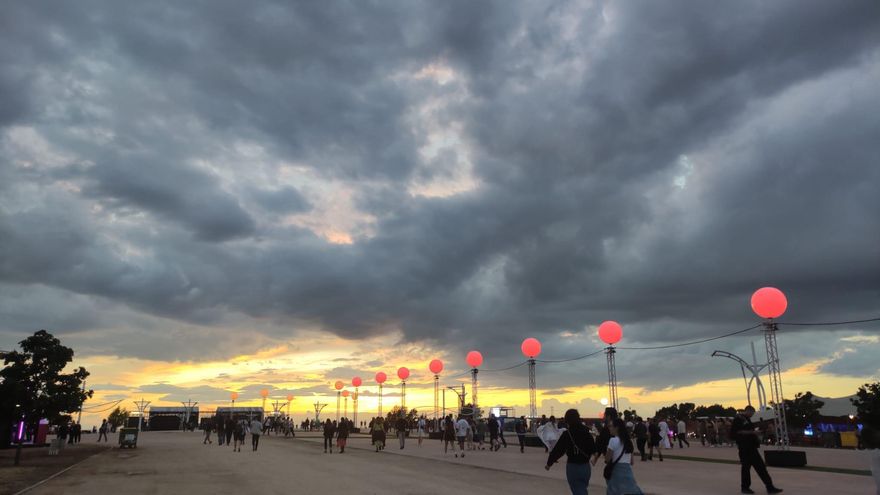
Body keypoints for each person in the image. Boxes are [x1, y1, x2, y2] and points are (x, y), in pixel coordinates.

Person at [731, 406, 782, 494]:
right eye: (752, 413)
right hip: (744, 448)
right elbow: (737, 432)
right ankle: (745, 487)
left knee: (761, 468)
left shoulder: (747, 419)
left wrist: (756, 434)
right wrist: (752, 432)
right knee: (746, 469)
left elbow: (747, 430)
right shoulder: (738, 419)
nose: (752, 415)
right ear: (748, 411)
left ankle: (770, 487)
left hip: (752, 447)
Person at [546, 409, 596, 495]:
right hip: (585, 467)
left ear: (567, 420)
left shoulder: (567, 434)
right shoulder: (587, 433)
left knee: (577, 490)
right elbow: (593, 449)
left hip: (573, 467)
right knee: (582, 488)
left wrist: (549, 463)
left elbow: (558, 450)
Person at [605, 418, 644, 495]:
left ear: (616, 427)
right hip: (627, 472)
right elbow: (631, 462)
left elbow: (608, 459)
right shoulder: (628, 442)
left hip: (616, 472)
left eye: (610, 426)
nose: (609, 428)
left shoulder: (613, 440)